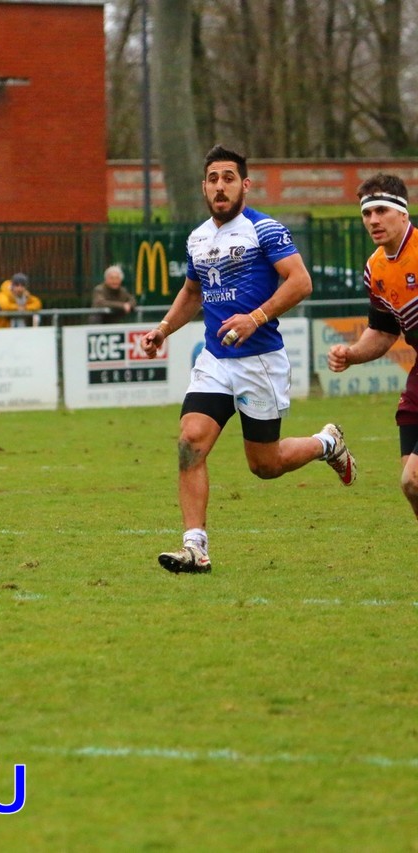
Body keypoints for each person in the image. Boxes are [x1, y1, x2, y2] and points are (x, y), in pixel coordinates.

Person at [138, 144, 356, 575]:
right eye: (213, 179)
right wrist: (163, 329)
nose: (220, 186)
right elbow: (193, 292)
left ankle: (327, 443)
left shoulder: (265, 229)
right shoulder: (198, 238)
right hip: (215, 360)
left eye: (229, 178)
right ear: (204, 187)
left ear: (245, 185)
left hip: (260, 363)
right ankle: (195, 547)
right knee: (190, 441)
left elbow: (300, 282)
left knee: (265, 465)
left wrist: (256, 318)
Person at [327, 174, 418, 520]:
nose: (373, 220)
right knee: (413, 485)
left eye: (381, 210)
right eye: (367, 213)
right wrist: (351, 354)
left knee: (413, 478)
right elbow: (383, 331)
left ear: (403, 213)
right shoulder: (375, 269)